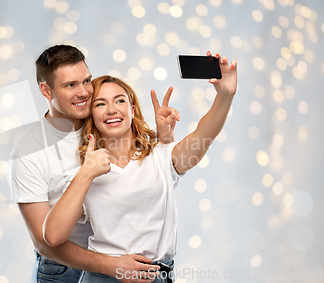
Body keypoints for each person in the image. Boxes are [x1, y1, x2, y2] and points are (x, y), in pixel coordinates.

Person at [43, 52, 237, 282]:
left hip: (158, 276)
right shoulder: (87, 168)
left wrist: (225, 95)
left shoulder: (162, 156)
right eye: (100, 103)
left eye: (120, 100)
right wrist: (86, 173)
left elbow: (204, 134)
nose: (112, 109)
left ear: (132, 110)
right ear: (91, 115)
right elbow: (53, 236)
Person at [8, 45, 180, 283]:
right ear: (46, 91)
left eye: (86, 81)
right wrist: (111, 265)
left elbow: (151, 178)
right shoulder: (29, 152)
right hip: (63, 269)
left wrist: (165, 139)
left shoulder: (106, 117)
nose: (84, 93)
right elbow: (43, 242)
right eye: (70, 85)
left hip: (124, 261)